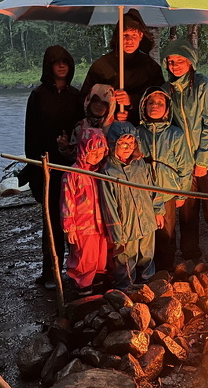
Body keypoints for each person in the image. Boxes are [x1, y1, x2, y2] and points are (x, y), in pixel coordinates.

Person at [162, 38, 208, 262]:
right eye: (170, 62)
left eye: (180, 60)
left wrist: (202, 161)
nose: (175, 66)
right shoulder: (167, 91)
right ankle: (191, 258)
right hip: (183, 163)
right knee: (187, 212)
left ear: (190, 62)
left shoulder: (205, 87)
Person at [24, 45, 84, 286]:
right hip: (46, 165)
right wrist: (35, 169)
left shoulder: (76, 96)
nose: (61, 65)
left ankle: (78, 268)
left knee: (73, 220)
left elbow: (84, 128)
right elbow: (30, 135)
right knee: (50, 221)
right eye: (56, 62)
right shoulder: (37, 95)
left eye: (65, 62)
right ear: (48, 66)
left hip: (71, 166)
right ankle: (50, 272)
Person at [100, 121, 165, 289]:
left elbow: (153, 187)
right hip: (126, 224)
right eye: (122, 143)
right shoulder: (108, 171)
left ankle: (147, 285)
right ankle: (126, 289)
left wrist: (158, 210)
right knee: (126, 258)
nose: (127, 147)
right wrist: (116, 230)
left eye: (131, 142)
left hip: (146, 219)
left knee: (147, 254)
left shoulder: (140, 164)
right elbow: (109, 204)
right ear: (113, 143)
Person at [136, 87, 193, 271]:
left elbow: (185, 165)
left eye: (160, 103)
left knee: (166, 234)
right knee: (145, 232)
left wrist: (182, 194)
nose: (155, 106)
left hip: (167, 190)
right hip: (143, 192)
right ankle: (145, 271)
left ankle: (165, 271)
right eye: (151, 102)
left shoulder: (175, 134)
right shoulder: (137, 133)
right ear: (143, 106)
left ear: (167, 108)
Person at [80, 9, 165, 126]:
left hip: (140, 131)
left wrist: (131, 101)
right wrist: (111, 113)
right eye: (125, 35)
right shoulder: (101, 66)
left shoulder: (151, 67)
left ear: (141, 36)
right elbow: (85, 100)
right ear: (118, 36)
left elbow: (160, 100)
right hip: (106, 130)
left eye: (134, 35)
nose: (129, 40)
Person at [61, 127, 109, 297]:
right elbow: (67, 203)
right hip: (83, 225)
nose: (97, 156)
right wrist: (69, 227)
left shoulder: (101, 172)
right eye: (93, 152)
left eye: (101, 152)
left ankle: (98, 279)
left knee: (101, 254)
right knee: (84, 256)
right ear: (83, 150)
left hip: (101, 223)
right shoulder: (72, 174)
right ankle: (82, 284)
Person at [58, 83, 117, 162]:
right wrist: (65, 148)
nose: (98, 105)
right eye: (95, 101)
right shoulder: (80, 127)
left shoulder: (116, 129)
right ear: (88, 102)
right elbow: (75, 157)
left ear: (110, 106)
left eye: (104, 103)